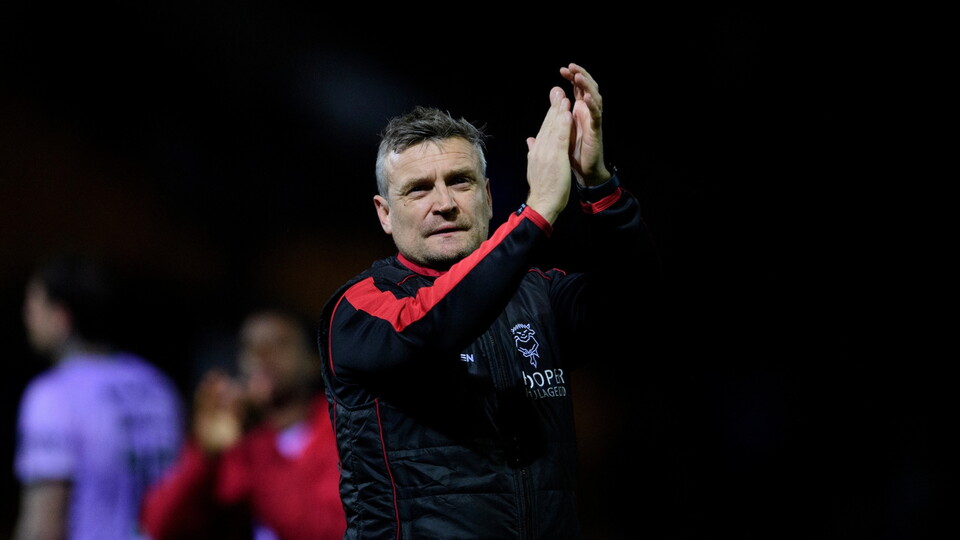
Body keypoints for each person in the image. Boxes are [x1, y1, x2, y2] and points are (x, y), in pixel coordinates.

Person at [316, 63, 661, 538]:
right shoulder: (358, 309)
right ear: (384, 214)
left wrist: (597, 184)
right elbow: (432, 325)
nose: (444, 203)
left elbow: (641, 299)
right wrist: (536, 212)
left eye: (460, 181)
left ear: (488, 195)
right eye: (418, 189)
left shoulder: (538, 294)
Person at [13, 253, 185, 540]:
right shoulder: (157, 385)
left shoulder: (53, 396)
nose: (27, 314)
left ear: (61, 317)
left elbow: (43, 525)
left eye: (34, 303)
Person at [140, 305, 346, 540]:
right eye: (250, 346)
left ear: (312, 360)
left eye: (279, 344)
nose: (262, 354)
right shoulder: (237, 437)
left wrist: (259, 439)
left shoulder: (342, 432)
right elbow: (161, 526)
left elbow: (325, 530)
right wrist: (205, 454)